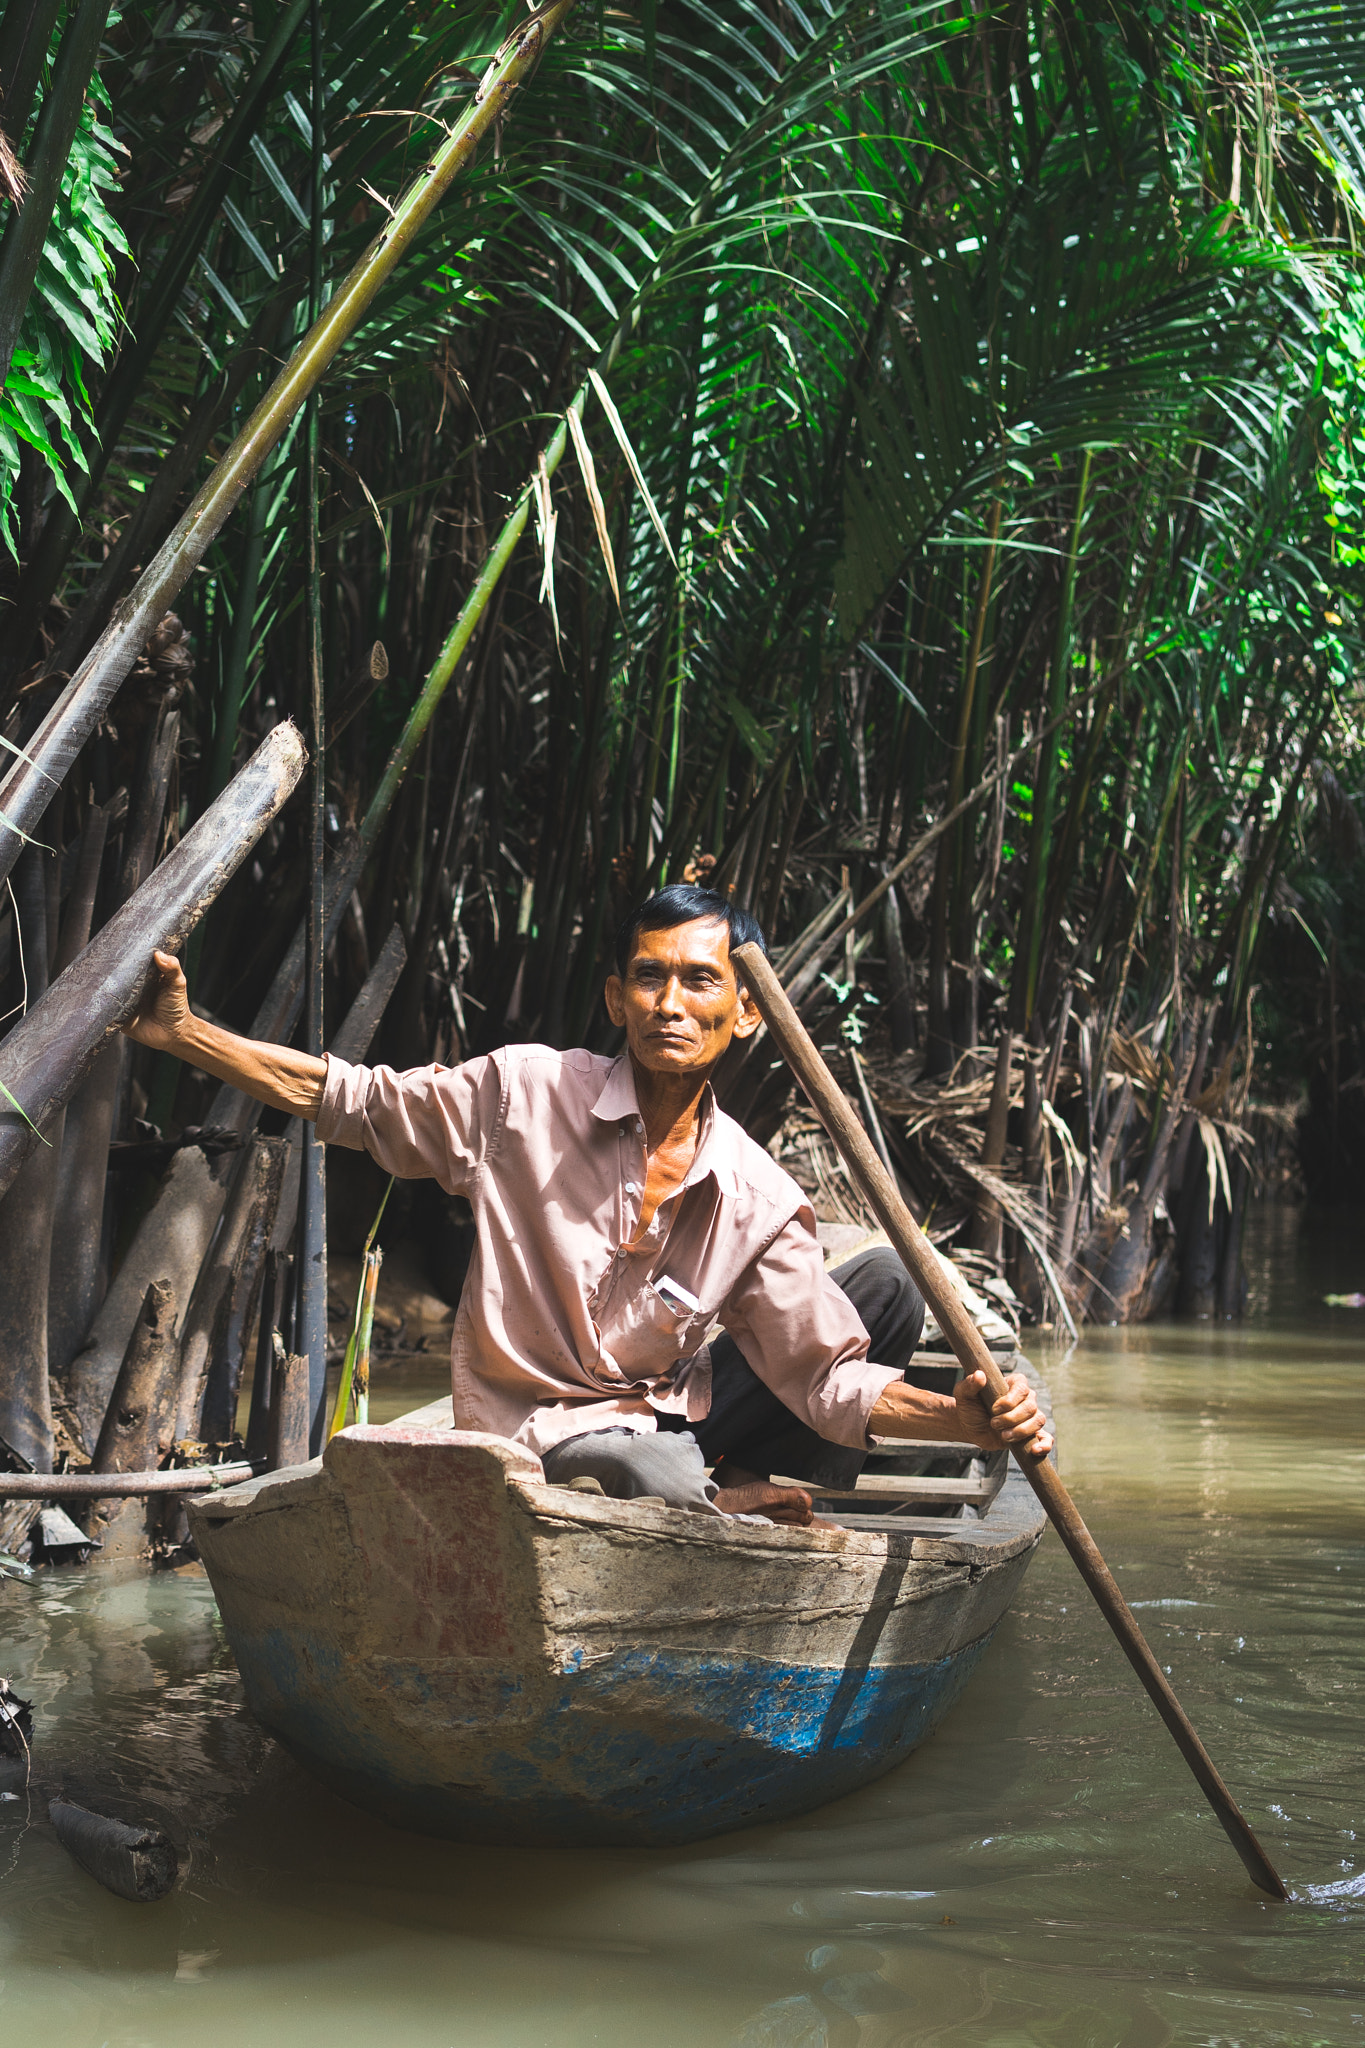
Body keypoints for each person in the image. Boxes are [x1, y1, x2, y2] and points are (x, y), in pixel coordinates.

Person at [124, 884, 1050, 1524]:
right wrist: (187, 1034)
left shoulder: (755, 1194)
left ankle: (746, 1486)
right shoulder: (524, 1096)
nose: (670, 1004)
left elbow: (820, 1377)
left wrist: (959, 1420)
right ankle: (722, 1504)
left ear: (747, 1012)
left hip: (662, 1414)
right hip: (534, 1430)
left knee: (882, 1287)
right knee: (638, 1464)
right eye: (649, 978)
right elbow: (355, 1100)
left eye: (700, 982)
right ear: (616, 995)